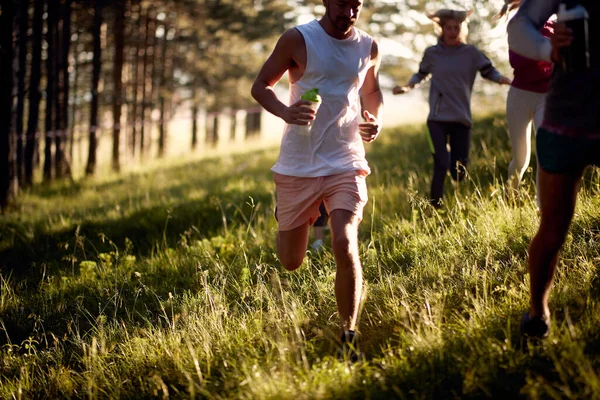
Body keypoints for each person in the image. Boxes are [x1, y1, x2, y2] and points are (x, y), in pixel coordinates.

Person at [251, 0, 383, 359]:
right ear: (325, 1)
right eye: (342, 4)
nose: (349, 13)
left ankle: (348, 335)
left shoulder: (368, 46)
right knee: (291, 261)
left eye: (356, 6)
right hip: (299, 163)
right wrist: (285, 111)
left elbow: (370, 91)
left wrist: (375, 120)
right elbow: (261, 85)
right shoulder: (298, 39)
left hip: (346, 159)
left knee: (344, 242)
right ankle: (293, 214)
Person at [508, 0, 598, 338]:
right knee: (554, 225)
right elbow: (519, 27)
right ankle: (538, 314)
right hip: (566, 116)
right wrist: (548, 47)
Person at [393, 9, 511, 207]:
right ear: (441, 29)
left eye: (456, 27)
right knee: (441, 162)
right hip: (437, 119)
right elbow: (420, 74)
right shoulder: (432, 53)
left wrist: (501, 79)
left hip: (461, 118)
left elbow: (488, 70)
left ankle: (455, 185)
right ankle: (435, 205)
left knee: (459, 171)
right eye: (449, 27)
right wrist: (407, 87)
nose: (453, 31)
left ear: (462, 29)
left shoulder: (471, 53)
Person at [498, 1, 554, 204]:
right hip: (519, 96)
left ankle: (543, 209)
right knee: (520, 159)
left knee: (545, 154)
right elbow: (518, 61)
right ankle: (511, 193)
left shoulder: (557, 27)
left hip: (546, 97)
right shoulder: (517, 25)